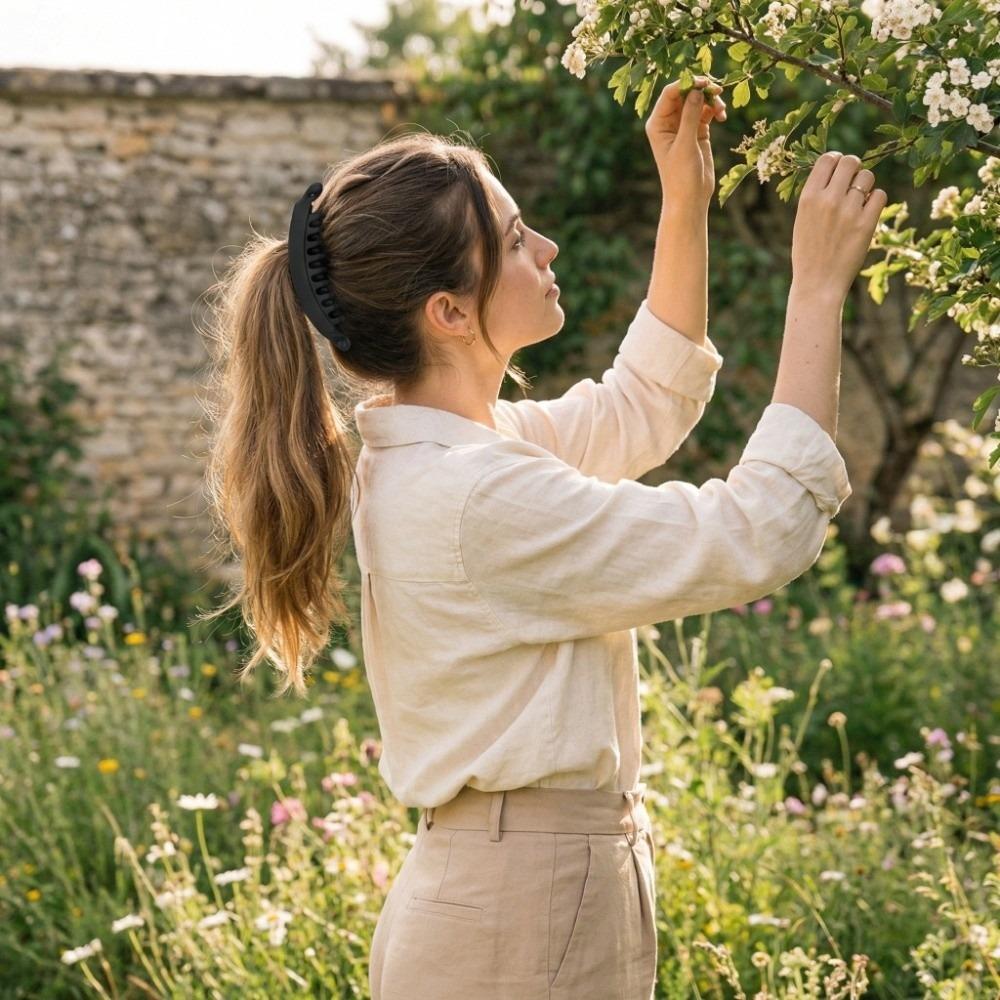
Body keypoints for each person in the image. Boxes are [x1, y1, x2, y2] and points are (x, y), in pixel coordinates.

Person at [198, 75, 886, 999]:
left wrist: (686, 201)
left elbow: (644, 404)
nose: (547, 246)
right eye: (518, 240)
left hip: (521, 891)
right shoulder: (473, 495)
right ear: (448, 311)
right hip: (520, 907)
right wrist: (818, 288)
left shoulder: (456, 457)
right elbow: (757, 531)